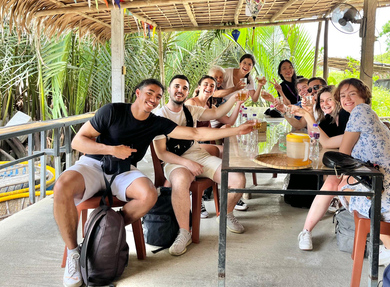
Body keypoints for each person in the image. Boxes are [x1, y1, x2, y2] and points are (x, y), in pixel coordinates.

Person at [54, 78, 254, 287]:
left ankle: (106, 230)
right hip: (94, 163)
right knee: (62, 186)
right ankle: (73, 253)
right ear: (138, 93)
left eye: (157, 96)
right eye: (150, 93)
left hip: (124, 171)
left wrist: (236, 130)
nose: (153, 99)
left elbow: (196, 133)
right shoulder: (112, 111)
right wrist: (112, 149)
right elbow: (78, 141)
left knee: (149, 195)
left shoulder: (155, 122)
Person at [292, 78, 390, 266]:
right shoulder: (364, 113)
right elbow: (329, 143)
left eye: (352, 94)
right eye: (343, 96)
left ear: (363, 95)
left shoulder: (359, 112)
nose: (346, 99)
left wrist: (342, 176)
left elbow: (343, 154)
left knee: (344, 189)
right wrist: (309, 116)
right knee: (340, 184)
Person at [153, 75, 250, 256]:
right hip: (175, 160)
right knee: (181, 180)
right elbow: (161, 153)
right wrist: (186, 163)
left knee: (238, 177)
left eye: (184, 88)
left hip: (198, 155)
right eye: (176, 86)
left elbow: (216, 114)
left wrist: (235, 99)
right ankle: (184, 232)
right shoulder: (159, 115)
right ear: (169, 89)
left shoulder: (191, 110)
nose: (180, 90)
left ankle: (225, 214)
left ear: (188, 92)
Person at [186, 75, 248, 215]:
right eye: (206, 84)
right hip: (193, 145)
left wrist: (238, 103)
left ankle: (234, 192)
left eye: (212, 86)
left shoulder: (211, 106)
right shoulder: (191, 103)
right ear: (199, 87)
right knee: (224, 152)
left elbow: (229, 120)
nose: (209, 87)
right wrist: (221, 131)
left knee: (230, 155)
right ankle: (197, 198)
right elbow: (193, 132)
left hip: (205, 143)